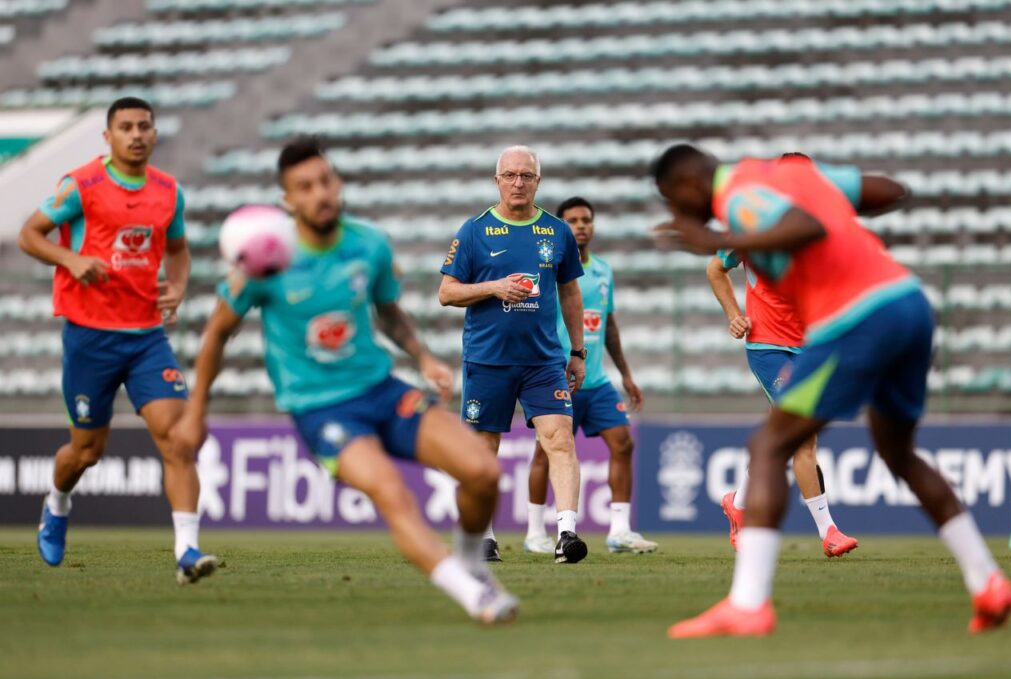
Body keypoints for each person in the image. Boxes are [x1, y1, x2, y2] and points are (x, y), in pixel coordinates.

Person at [651, 145, 1011, 637]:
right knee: (899, 453)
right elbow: (889, 189)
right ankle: (988, 581)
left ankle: (748, 604)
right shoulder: (798, 179)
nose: (676, 213)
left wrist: (717, 238)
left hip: (854, 317)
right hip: (909, 304)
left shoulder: (738, 193)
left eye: (672, 200)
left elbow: (807, 228)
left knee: (769, 445)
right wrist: (825, 193)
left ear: (691, 183)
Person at [174, 137, 518, 624]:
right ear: (287, 201)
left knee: (483, 473)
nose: (321, 193)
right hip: (322, 409)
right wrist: (195, 414)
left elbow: (388, 312)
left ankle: (469, 560)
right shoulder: (264, 257)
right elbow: (215, 336)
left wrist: (422, 358)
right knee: (391, 491)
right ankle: (473, 595)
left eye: (326, 181)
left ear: (338, 183)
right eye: (305, 187)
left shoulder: (369, 244)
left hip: (381, 389)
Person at [19, 97, 216, 584]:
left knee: (178, 439)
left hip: (147, 337)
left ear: (153, 133)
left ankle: (187, 551)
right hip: (90, 337)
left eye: (144, 126)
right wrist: (70, 260)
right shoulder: (81, 184)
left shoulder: (168, 191)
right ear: (107, 137)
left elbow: (178, 248)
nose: (136, 134)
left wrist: (179, 286)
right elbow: (30, 234)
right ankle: (58, 502)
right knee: (86, 452)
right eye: (125, 127)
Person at [707, 157, 880, 558]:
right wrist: (735, 314)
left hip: (809, 346)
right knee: (802, 435)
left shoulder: (823, 230)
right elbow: (716, 269)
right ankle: (829, 532)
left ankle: (740, 504)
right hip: (767, 345)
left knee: (781, 435)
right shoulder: (751, 227)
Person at [439, 146, 589, 564]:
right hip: (489, 359)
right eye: (510, 175)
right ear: (497, 181)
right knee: (484, 448)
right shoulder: (474, 231)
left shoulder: (557, 232)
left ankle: (566, 534)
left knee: (559, 439)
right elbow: (447, 292)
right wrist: (493, 287)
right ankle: (485, 536)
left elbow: (570, 292)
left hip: (543, 361)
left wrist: (577, 351)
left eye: (526, 175)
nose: (518, 182)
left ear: (538, 181)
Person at [524, 196, 656, 555]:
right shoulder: (549, 271)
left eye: (586, 220)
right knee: (544, 453)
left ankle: (619, 531)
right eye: (573, 220)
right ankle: (535, 531)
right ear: (561, 227)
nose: (581, 226)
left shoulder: (603, 271)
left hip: (595, 380)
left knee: (623, 443)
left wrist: (626, 375)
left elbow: (608, 325)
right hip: (556, 377)